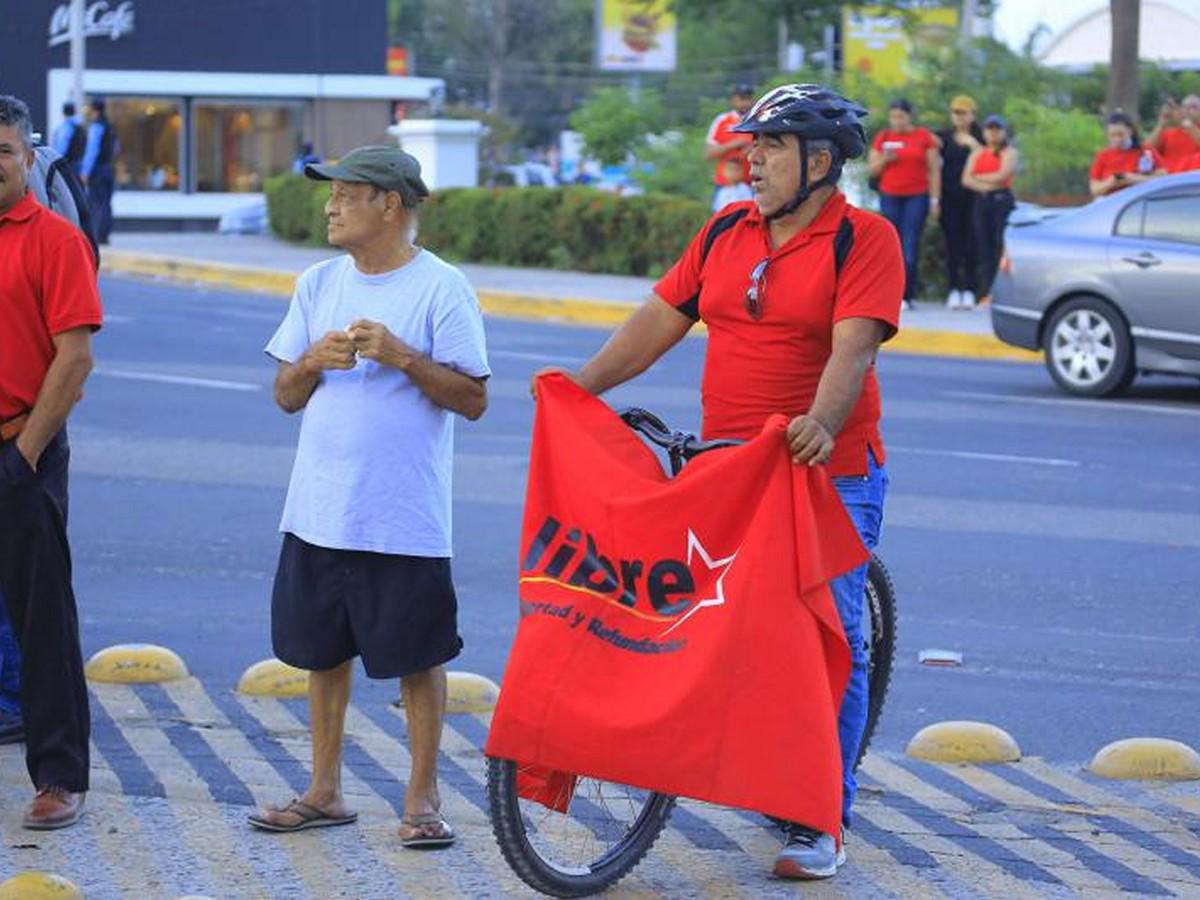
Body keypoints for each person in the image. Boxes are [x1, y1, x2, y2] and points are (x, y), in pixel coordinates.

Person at [534, 84, 902, 881]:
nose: (751, 160)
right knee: (688, 618)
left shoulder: (863, 240)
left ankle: (821, 814)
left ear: (821, 161)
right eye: (750, 146)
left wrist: (821, 423)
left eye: (770, 147)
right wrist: (581, 385)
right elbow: (658, 322)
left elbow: (854, 349)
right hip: (727, 468)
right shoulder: (727, 232)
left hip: (824, 468)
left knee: (826, 637)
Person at [248, 145, 490, 849]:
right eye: (333, 196)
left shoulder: (442, 288)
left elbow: (473, 398)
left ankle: (422, 799)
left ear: (389, 203)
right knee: (323, 652)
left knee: (417, 655)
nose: (330, 207)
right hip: (320, 508)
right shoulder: (319, 283)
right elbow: (285, 396)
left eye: (346, 196)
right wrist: (311, 363)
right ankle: (323, 791)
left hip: (404, 515)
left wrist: (405, 357)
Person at [0, 94, 101, 831]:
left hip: (19, 448)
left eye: (4, 152)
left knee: (42, 622)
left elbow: (74, 359)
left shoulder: (55, 239)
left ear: (29, 159)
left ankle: (59, 777)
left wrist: (27, 450)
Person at [868, 98, 941, 309]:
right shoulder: (884, 137)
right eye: (893, 117)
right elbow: (873, 169)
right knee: (891, 244)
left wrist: (935, 200)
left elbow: (934, 169)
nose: (896, 121)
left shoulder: (923, 137)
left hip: (916, 196)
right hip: (890, 196)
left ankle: (906, 295)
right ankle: (890, 294)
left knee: (909, 245)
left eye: (900, 116)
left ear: (909, 116)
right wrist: (885, 159)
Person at [963, 115, 1019, 307]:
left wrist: (979, 178)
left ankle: (1003, 293)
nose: (993, 133)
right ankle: (987, 292)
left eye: (997, 129)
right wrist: (987, 183)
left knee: (1000, 247)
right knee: (984, 248)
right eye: (989, 129)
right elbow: (966, 179)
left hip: (1002, 201)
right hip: (982, 202)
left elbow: (1003, 176)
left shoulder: (1009, 152)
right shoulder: (978, 153)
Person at [936, 95, 983, 309]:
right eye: (955, 112)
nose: (959, 117)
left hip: (975, 196)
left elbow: (991, 157)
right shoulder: (943, 137)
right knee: (952, 244)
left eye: (963, 112)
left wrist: (973, 144)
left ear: (973, 114)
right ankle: (954, 288)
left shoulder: (981, 135)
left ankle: (972, 289)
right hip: (949, 196)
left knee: (973, 244)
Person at [1089, 112, 1166, 197]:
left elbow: (1163, 177)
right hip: (1111, 203)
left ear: (1130, 132)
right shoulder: (1102, 156)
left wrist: (1133, 179)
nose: (1117, 139)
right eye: (1112, 135)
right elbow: (1094, 189)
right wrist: (1110, 183)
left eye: (1121, 134)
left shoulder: (1145, 151)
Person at [704, 83, 756, 204]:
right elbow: (708, 154)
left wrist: (752, 149)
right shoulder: (722, 121)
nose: (746, 102)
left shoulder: (758, 121)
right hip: (725, 184)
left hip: (752, 184)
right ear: (733, 100)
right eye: (742, 99)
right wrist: (734, 144)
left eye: (748, 98)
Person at [80, 97, 118, 244]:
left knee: (96, 203)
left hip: (98, 170)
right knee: (107, 203)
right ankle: (105, 234)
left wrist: (85, 172)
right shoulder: (109, 126)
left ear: (94, 110)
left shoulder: (96, 127)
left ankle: (96, 235)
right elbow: (116, 148)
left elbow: (92, 150)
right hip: (109, 168)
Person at [1145, 94, 1200, 172]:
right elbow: (1147, 150)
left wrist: (1186, 123)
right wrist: (1161, 125)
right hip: (1167, 180)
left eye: (1194, 107)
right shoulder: (1169, 133)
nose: (1188, 110)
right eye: (1185, 107)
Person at [50, 101, 85, 174]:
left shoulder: (65, 127)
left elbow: (61, 148)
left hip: (67, 164)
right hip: (79, 163)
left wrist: (55, 162)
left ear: (63, 112)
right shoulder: (80, 126)